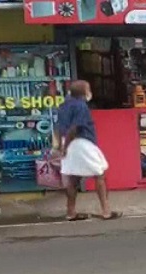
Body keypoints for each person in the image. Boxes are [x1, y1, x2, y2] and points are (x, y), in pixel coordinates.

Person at [55, 80, 119, 221]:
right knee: (99, 174)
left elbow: (60, 128)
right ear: (84, 92)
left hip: (69, 142)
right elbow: (74, 127)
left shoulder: (63, 106)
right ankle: (106, 211)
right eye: (88, 89)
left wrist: (61, 146)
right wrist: (65, 147)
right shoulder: (81, 106)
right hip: (82, 142)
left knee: (73, 178)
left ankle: (71, 212)